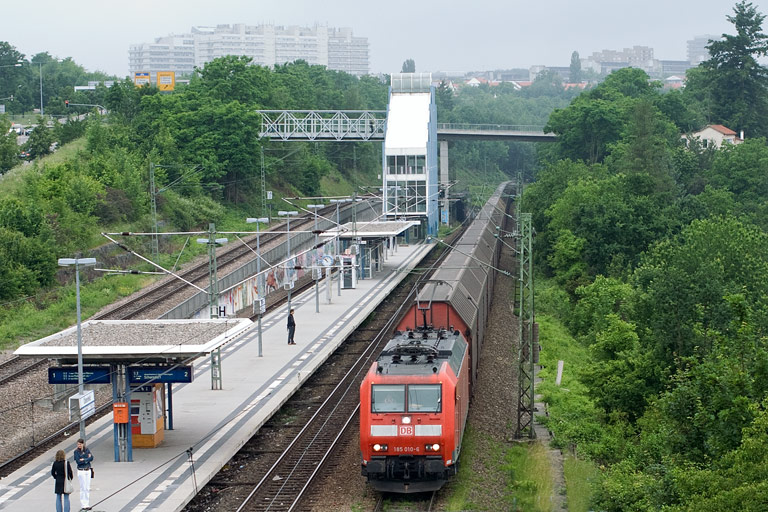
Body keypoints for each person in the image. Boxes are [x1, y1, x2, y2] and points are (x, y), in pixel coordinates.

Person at [73, 438, 93, 510]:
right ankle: (83, 504)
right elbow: (78, 461)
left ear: (83, 444)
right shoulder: (76, 452)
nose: (79, 445)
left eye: (80, 444)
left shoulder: (86, 450)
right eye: (78, 444)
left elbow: (91, 458)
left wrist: (84, 459)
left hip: (88, 470)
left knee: (87, 487)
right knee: (83, 487)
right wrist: (87, 459)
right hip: (81, 470)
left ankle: (87, 503)